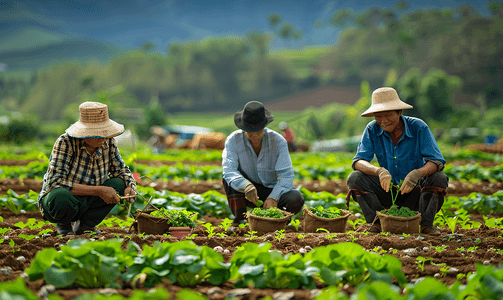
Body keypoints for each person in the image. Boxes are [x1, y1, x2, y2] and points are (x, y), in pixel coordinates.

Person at [346, 87, 448, 235]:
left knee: (439, 177)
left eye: (388, 115)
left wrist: (417, 174)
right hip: (387, 190)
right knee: (355, 178)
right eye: (378, 116)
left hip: (415, 191)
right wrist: (379, 171)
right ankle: (377, 223)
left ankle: (426, 225)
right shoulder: (372, 129)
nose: (383, 121)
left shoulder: (418, 127)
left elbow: (437, 161)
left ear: (400, 112)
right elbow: (358, 161)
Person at [38, 101, 137, 236]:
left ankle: (86, 225)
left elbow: (121, 170)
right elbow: (54, 182)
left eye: (104, 132)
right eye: (97, 133)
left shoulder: (109, 142)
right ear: (84, 132)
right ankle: (63, 225)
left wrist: (130, 186)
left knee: (119, 183)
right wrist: (98, 191)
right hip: (65, 200)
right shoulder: (65, 142)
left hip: (89, 202)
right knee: (60, 196)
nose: (102, 137)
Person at [222, 101, 305, 226]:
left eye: (258, 130)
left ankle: (280, 221)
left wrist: (274, 197)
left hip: (271, 188)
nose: (254, 134)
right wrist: (246, 186)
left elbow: (286, 176)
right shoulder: (233, 140)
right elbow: (229, 170)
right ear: (243, 128)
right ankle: (240, 220)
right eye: (250, 130)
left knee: (295, 198)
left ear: (264, 126)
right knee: (229, 181)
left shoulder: (278, 142)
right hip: (247, 191)